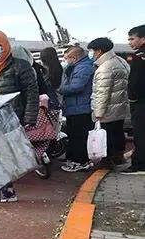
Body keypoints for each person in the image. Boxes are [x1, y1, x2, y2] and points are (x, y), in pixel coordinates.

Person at [0, 31, 39, 202]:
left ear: (5, 47)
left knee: (6, 155)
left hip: (10, 118)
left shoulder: (20, 66)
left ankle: (7, 191)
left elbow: (32, 94)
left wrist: (29, 119)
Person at [87, 37, 130, 169]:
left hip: (108, 109)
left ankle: (107, 162)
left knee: (107, 136)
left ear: (99, 51)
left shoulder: (105, 68)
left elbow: (102, 93)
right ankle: (118, 158)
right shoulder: (120, 61)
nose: (91, 54)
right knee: (117, 133)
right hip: (120, 106)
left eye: (92, 51)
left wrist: (98, 113)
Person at [59, 45, 95, 172]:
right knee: (74, 135)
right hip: (74, 107)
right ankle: (74, 159)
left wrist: (60, 89)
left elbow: (76, 86)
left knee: (79, 136)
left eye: (67, 58)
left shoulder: (84, 67)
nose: (66, 61)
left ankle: (80, 161)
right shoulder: (76, 67)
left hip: (81, 108)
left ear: (74, 57)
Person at [124, 24, 145, 174]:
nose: (129, 42)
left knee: (140, 132)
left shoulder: (138, 57)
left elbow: (135, 81)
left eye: (132, 38)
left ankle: (139, 164)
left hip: (141, 101)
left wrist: (132, 98)